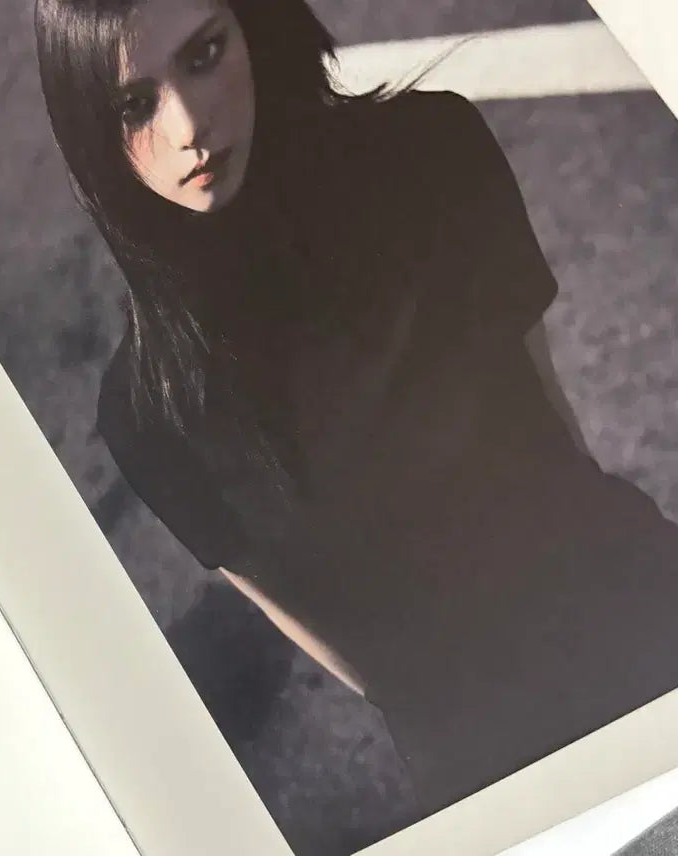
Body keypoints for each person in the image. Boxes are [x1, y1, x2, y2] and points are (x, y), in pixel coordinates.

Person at [35, 0, 678, 820]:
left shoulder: (433, 153)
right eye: (135, 104)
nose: (189, 126)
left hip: (631, 605)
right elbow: (350, 655)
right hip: (490, 761)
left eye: (204, 54)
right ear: (90, 133)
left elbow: (553, 426)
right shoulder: (151, 416)